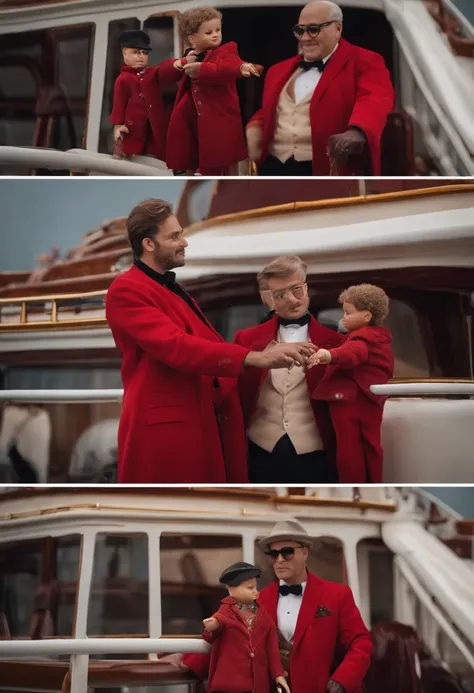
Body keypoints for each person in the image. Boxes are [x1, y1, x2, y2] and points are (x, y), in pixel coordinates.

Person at [105, 200, 315, 484]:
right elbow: (175, 346)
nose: (184, 242)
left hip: (195, 421)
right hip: (166, 432)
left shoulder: (169, 287)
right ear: (149, 244)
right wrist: (254, 357)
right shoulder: (125, 289)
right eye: (174, 236)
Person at [164, 518, 373, 693]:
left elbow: (361, 643)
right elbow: (226, 635)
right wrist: (185, 656)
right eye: (274, 554)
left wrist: (343, 679)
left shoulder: (337, 595)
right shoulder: (257, 599)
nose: (279, 560)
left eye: (287, 552)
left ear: (305, 552)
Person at [246, 0, 394, 176]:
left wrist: (358, 131)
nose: (305, 38)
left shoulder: (365, 61)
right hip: (273, 168)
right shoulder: (277, 71)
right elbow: (274, 110)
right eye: (300, 30)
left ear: (337, 29)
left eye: (314, 29)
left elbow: (374, 99)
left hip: (325, 169)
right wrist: (254, 128)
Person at [233, 256, 343, 483]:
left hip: (315, 452)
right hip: (259, 450)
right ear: (269, 299)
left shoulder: (337, 342)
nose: (291, 300)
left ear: (306, 288)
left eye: (296, 290)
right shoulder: (247, 339)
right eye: (281, 295)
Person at [308, 284, 394, 483]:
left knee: (348, 449)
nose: (343, 317)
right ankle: (372, 480)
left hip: (350, 401)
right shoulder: (379, 338)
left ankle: (351, 480)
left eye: (348, 312)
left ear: (366, 316)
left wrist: (329, 354)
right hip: (370, 399)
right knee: (369, 446)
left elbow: (353, 353)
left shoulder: (361, 338)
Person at [166, 7, 260, 176]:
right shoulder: (189, 56)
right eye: (209, 32)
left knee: (225, 161)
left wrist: (241, 67)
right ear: (193, 39)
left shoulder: (227, 51)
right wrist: (182, 63)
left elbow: (230, 66)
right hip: (194, 118)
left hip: (220, 117)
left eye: (218, 30)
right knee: (192, 155)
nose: (215, 35)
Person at [202, 562, 289, 693]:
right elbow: (217, 624)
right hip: (230, 683)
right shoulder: (226, 611)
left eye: (255, 587)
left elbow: (272, 649)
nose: (255, 591)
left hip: (258, 683)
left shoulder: (263, 614)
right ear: (232, 590)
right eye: (250, 588)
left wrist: (278, 674)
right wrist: (212, 626)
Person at [110, 30, 178, 161]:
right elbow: (119, 105)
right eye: (136, 52)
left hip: (154, 128)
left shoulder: (151, 74)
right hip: (132, 129)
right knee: (132, 157)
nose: (141, 56)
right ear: (125, 53)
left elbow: (163, 72)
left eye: (144, 53)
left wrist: (179, 63)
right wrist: (118, 126)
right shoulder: (123, 79)